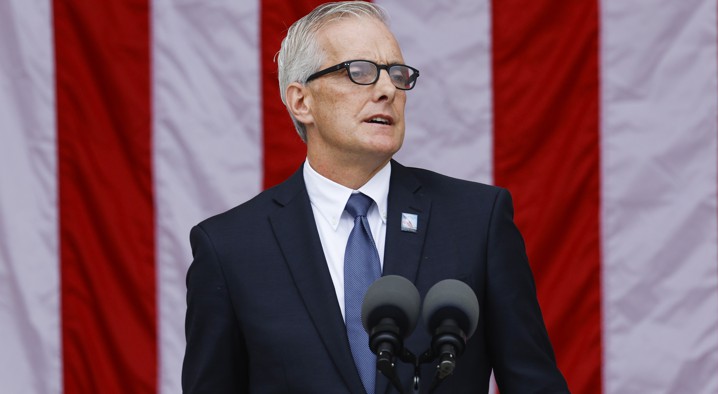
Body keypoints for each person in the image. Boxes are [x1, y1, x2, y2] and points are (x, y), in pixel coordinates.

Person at [181, 2, 569, 393]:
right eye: (360, 72)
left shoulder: (477, 221)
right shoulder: (230, 248)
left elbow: (534, 382)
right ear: (301, 101)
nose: (388, 90)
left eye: (397, 75)